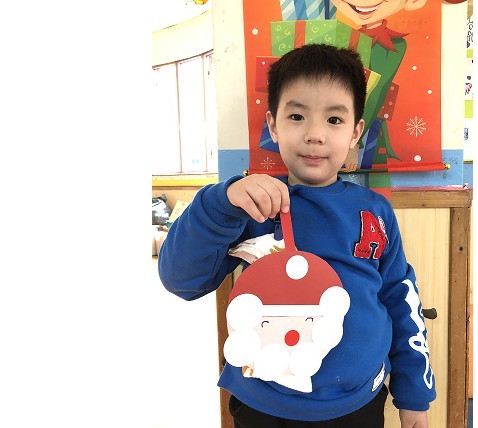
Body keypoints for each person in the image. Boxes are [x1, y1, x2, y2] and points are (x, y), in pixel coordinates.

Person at [158, 43, 436, 428]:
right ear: (273, 125)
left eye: (334, 119)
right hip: (263, 403)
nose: (315, 134)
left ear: (356, 132)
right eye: (297, 116)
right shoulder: (251, 204)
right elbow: (181, 281)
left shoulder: (375, 212)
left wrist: (414, 394)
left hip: (357, 404)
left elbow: (401, 300)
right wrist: (220, 202)